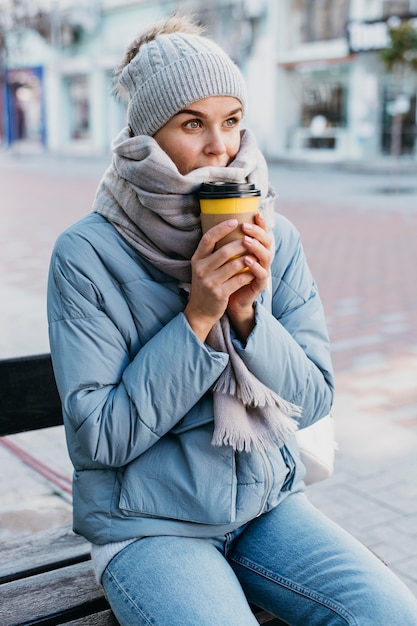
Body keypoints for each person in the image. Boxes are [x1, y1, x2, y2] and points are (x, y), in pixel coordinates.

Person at [47, 14, 417, 626]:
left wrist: (248, 317)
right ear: (144, 137)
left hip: (266, 507)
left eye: (233, 121)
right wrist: (198, 316)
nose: (222, 146)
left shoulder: (278, 235)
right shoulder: (87, 255)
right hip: (149, 526)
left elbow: (316, 396)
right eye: (193, 123)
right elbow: (100, 438)